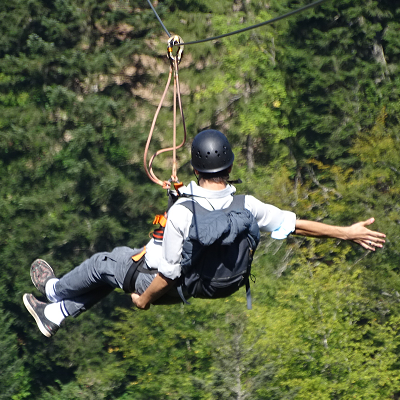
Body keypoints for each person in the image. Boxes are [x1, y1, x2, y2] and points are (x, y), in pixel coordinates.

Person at [23, 129, 386, 337]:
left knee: (106, 263)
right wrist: (346, 232)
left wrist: (144, 300)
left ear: (197, 167)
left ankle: (53, 290)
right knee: (113, 271)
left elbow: (168, 274)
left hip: (160, 282)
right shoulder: (247, 205)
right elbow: (297, 225)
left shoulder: (182, 211)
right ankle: (56, 314)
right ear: (228, 166)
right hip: (208, 286)